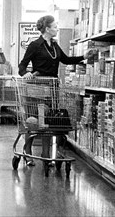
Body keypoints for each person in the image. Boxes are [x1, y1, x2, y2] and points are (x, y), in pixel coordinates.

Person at [17, 15, 94, 166]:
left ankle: (46, 156)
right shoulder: (35, 45)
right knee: (33, 122)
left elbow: (65, 60)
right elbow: (22, 65)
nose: (57, 29)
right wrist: (25, 73)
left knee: (48, 123)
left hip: (52, 88)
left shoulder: (54, 46)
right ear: (47, 29)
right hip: (36, 88)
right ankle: (28, 153)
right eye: (54, 27)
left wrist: (83, 56)